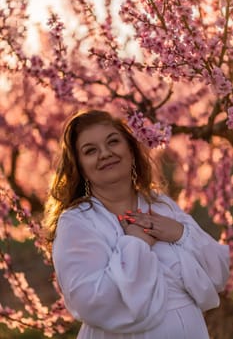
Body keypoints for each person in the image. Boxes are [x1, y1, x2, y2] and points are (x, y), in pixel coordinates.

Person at [44, 109, 229, 339]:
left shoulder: (161, 205)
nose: (105, 153)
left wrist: (180, 233)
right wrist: (135, 244)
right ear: (79, 167)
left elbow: (217, 272)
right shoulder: (77, 222)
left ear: (131, 150)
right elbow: (90, 302)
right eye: (90, 150)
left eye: (113, 142)